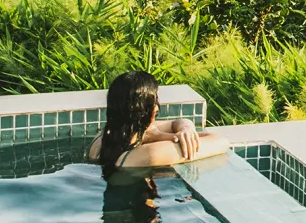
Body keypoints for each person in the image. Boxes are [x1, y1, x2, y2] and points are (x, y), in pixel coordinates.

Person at [84, 69, 226, 176]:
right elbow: (221, 141)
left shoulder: (102, 138)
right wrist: (166, 137)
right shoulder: (149, 154)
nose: (157, 106)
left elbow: (176, 123)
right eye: (154, 101)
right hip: (139, 212)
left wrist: (186, 129)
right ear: (144, 111)